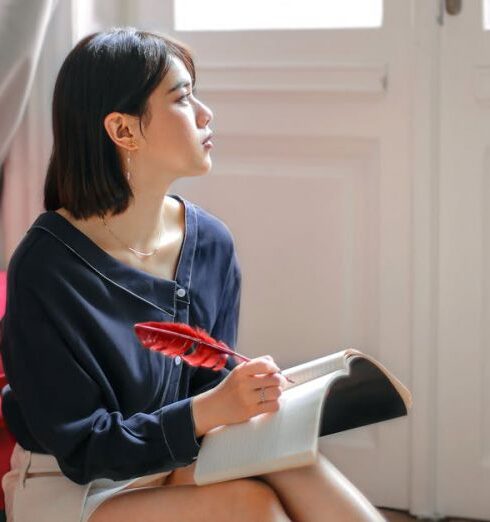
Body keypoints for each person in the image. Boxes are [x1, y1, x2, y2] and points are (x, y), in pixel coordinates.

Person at [0, 27, 386, 522]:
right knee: (252, 506)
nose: (206, 114)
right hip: (71, 485)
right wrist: (212, 411)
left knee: (294, 464)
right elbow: (81, 448)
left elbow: (206, 383)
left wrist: (251, 398)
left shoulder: (210, 244)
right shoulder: (46, 268)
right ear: (123, 131)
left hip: (170, 458)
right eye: (182, 99)